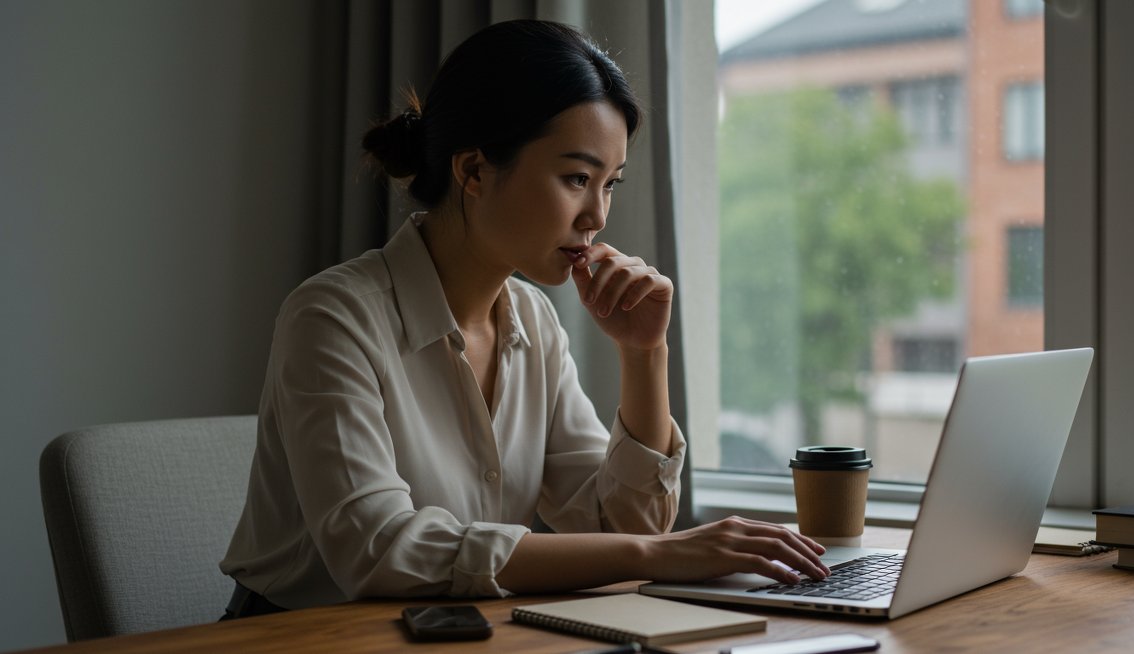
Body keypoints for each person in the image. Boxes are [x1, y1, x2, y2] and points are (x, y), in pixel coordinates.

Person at [219, 19, 829, 619]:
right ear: (474, 171)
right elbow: (379, 549)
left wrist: (645, 354)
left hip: (464, 632)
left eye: (609, 184)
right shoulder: (333, 316)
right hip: (297, 636)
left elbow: (618, 522)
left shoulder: (533, 321)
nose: (596, 216)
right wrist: (660, 553)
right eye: (576, 178)